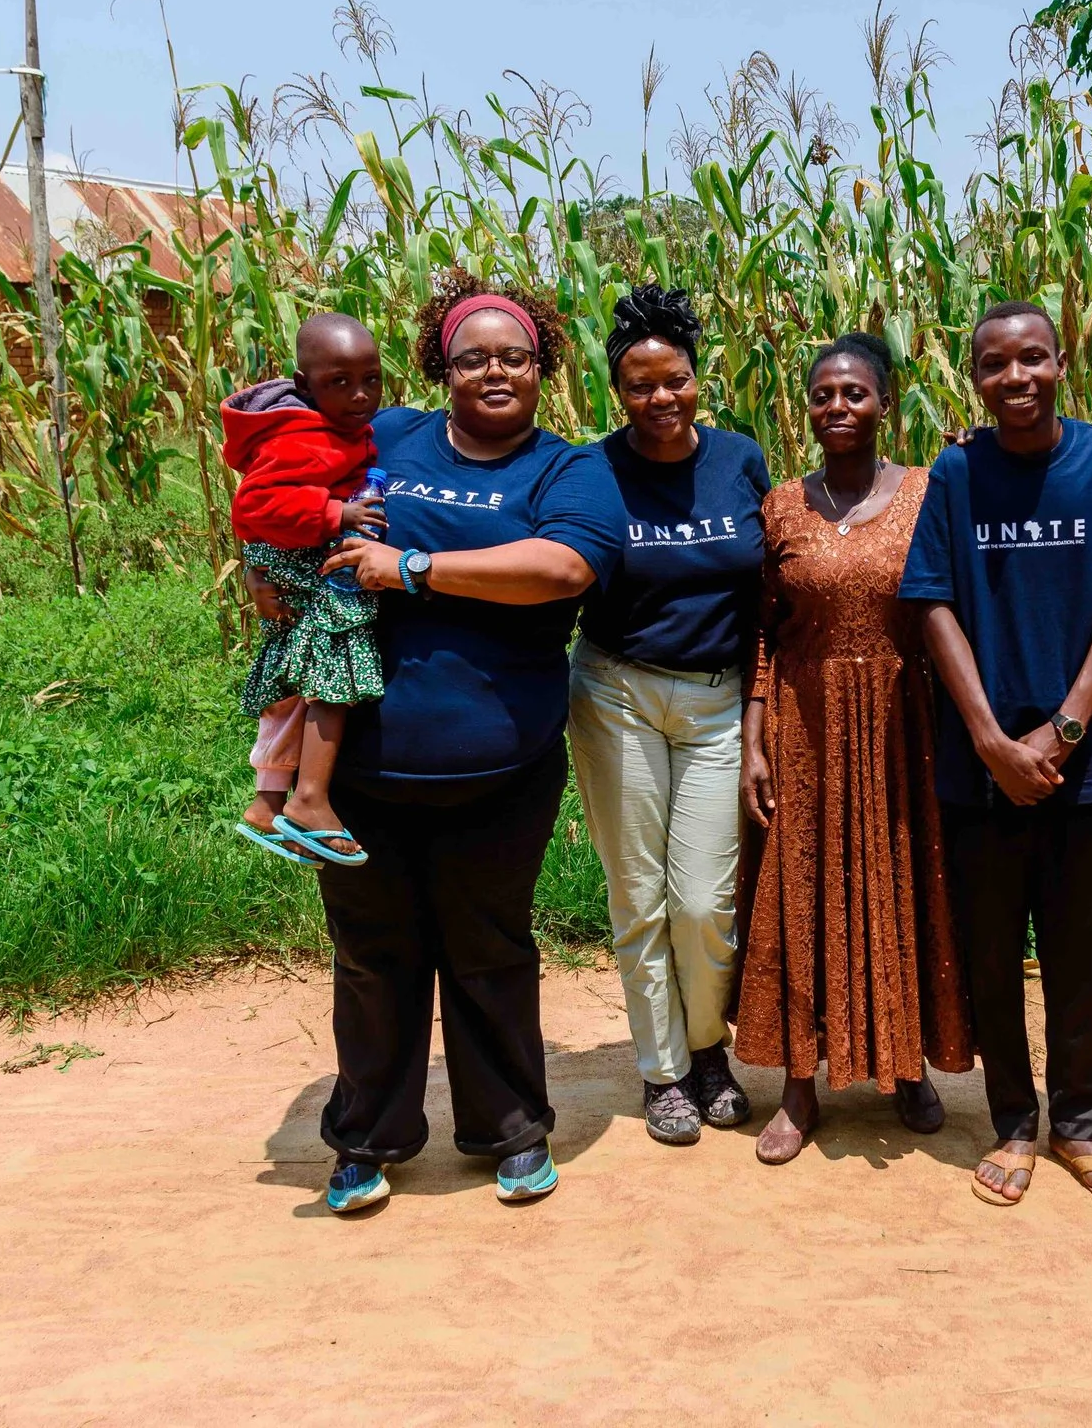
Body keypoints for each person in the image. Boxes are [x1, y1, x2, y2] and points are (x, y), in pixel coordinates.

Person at [284, 269, 624, 1215]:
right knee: (372, 956)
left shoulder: (567, 469)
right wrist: (267, 564)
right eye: (473, 358)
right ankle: (366, 1137)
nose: (495, 372)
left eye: (514, 355)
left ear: (543, 366)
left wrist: (414, 566)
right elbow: (287, 480)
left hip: (501, 767)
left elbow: (561, 566)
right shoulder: (387, 434)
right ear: (443, 367)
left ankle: (510, 1128)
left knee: (490, 949)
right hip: (362, 766)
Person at [899, 301, 1092, 1209]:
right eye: (994, 363)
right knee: (991, 950)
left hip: (1077, 761)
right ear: (974, 377)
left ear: (1061, 362)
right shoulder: (957, 472)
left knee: (1075, 947)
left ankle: (1079, 1124)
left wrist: (1067, 726)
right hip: (982, 763)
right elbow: (932, 599)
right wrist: (988, 738)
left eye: (1032, 358)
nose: (1014, 377)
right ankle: (1013, 1120)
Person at [734, 332, 973, 1165]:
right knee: (802, 893)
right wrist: (755, 737)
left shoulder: (929, 492)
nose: (837, 406)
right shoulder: (782, 506)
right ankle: (801, 1081)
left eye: (855, 393)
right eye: (823, 394)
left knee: (901, 884)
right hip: (802, 724)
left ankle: (906, 1064)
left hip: (902, 724)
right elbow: (763, 630)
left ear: (885, 403)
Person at [568, 285, 767, 1147]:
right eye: (640, 385)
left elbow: (772, 577)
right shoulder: (593, 470)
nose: (660, 398)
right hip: (618, 691)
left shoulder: (740, 460)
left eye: (675, 379)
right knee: (639, 893)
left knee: (703, 900)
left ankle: (707, 1043)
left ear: (698, 377)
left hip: (717, 697)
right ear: (617, 390)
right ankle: (665, 1071)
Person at [223, 313, 388, 867]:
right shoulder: (302, 437)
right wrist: (335, 513)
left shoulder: (339, 426)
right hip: (299, 558)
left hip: (290, 556)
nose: (360, 394)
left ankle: (268, 800)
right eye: (339, 382)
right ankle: (310, 798)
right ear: (304, 385)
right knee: (336, 665)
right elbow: (254, 505)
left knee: (292, 673)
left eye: (371, 378)